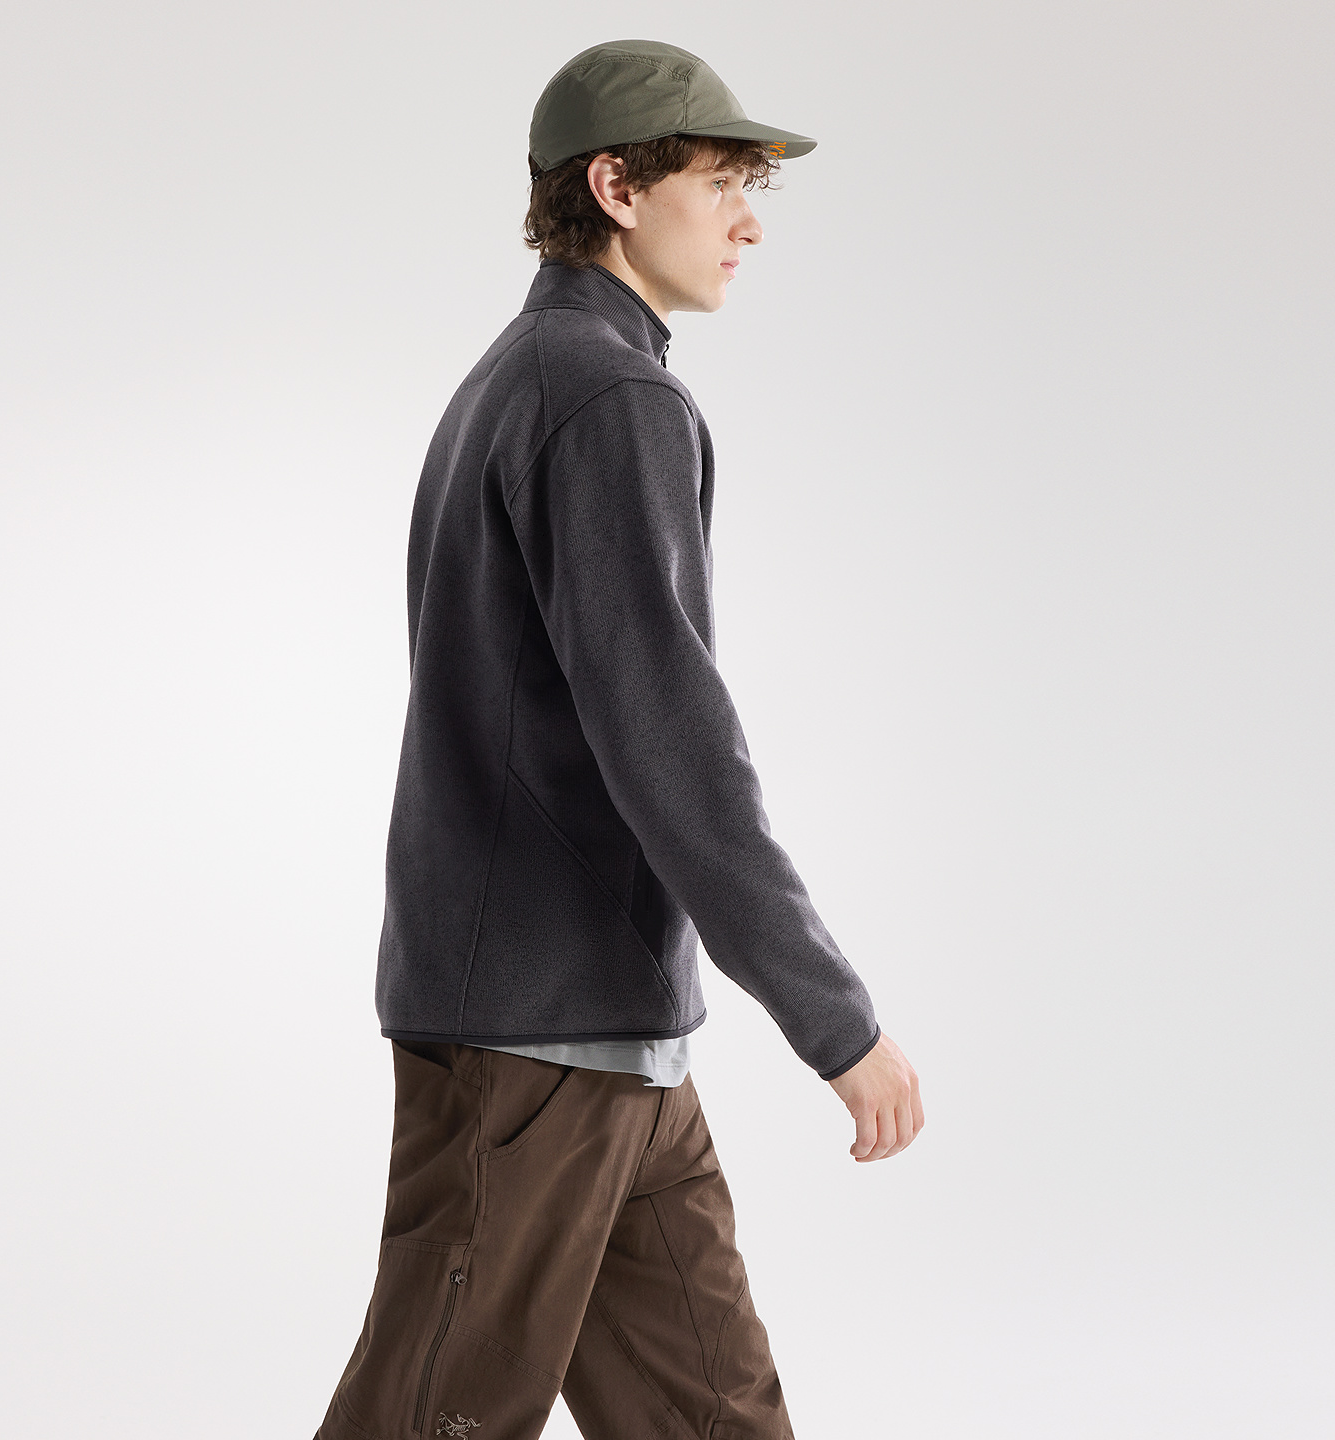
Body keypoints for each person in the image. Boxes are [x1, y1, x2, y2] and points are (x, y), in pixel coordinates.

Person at [313, 38, 923, 1440]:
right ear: (616, 188)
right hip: (537, 1047)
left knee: (717, 1419)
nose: (750, 222)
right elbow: (674, 751)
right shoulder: (603, 398)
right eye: (723, 183)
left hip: (612, 1035)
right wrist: (837, 1023)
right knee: (434, 1414)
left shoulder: (529, 378)